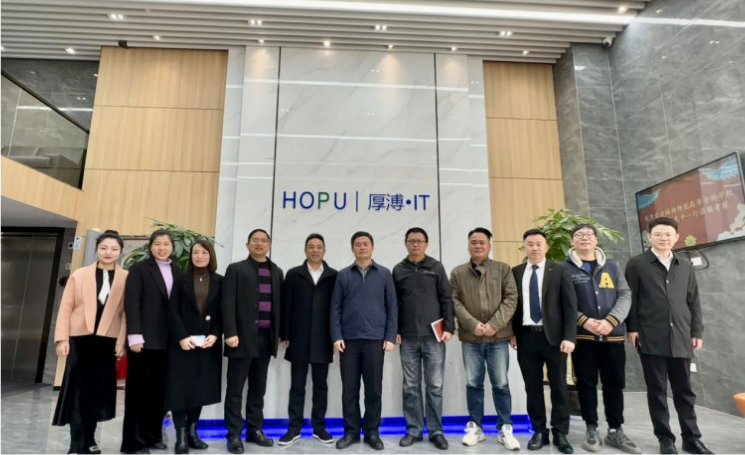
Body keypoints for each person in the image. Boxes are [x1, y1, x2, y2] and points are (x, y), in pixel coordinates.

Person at [625, 218, 715, 455]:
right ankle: (665, 439)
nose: (663, 238)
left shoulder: (684, 265)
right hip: (650, 336)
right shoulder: (637, 264)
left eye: (668, 234)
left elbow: (693, 300)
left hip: (682, 336)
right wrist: (632, 328)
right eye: (658, 234)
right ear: (649, 237)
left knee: (685, 392)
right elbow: (630, 299)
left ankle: (692, 439)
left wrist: (696, 331)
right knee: (657, 392)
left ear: (676, 238)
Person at [565, 225, 640, 454]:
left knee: (614, 384)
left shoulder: (612, 266)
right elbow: (562, 301)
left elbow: (625, 294)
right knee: (586, 384)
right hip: (583, 337)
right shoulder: (563, 268)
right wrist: (583, 320)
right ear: (572, 241)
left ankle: (615, 429)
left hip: (612, 337)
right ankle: (591, 428)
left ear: (596, 240)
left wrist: (611, 320)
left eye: (589, 235)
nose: (584, 238)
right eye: (579, 235)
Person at [52, 230, 128, 455]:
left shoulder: (126, 278)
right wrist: (62, 338)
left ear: (120, 252)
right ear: (97, 249)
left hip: (107, 342)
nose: (108, 252)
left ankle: (90, 439)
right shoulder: (80, 275)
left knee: (97, 393)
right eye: (104, 248)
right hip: (79, 340)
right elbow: (66, 307)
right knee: (77, 391)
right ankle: (76, 443)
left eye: (114, 249)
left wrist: (121, 341)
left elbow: (127, 313)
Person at [450, 227, 520, 450]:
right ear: (468, 245)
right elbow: (454, 302)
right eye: (474, 242)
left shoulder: (503, 269)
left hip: (498, 338)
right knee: (473, 383)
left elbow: (511, 298)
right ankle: (476, 428)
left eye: (482, 242)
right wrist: (474, 325)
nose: (478, 245)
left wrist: (493, 325)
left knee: (501, 384)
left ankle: (505, 428)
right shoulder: (458, 273)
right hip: (471, 339)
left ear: (489, 245)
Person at [510, 228, 576, 454]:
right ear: (524, 247)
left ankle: (560, 432)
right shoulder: (516, 272)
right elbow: (513, 306)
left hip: (555, 339)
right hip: (526, 337)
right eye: (530, 244)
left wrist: (569, 336)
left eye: (538, 244)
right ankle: (539, 431)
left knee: (558, 387)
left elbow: (570, 306)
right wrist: (512, 332)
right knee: (533, 388)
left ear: (546, 247)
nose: (534, 248)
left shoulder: (560, 270)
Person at [330, 231, 397, 451]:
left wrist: (390, 336)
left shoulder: (384, 274)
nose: (362, 247)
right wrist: (336, 335)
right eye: (358, 244)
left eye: (365, 244)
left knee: (373, 390)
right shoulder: (343, 275)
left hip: (375, 340)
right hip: (348, 341)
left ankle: (372, 432)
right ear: (352, 248)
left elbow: (392, 307)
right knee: (349, 389)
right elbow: (335, 307)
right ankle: (351, 432)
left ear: (372, 247)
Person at [222, 229, 284, 454]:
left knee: (258, 388)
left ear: (269, 245)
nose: (259, 244)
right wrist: (230, 331)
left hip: (266, 340)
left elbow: (280, 306)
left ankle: (254, 429)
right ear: (247, 244)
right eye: (255, 241)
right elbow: (227, 303)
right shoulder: (236, 269)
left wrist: (280, 333)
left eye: (263, 241)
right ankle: (234, 434)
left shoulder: (276, 271)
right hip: (240, 339)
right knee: (235, 389)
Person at [122, 229, 182, 455]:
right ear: (151, 246)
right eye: (157, 244)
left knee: (159, 393)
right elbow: (132, 302)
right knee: (138, 394)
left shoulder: (177, 270)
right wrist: (134, 335)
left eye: (166, 244)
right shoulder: (139, 269)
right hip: (143, 341)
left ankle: (153, 436)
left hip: (168, 343)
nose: (162, 248)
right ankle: (133, 443)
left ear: (172, 247)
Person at [392, 227, 454, 450]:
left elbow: (446, 298)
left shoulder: (436, 267)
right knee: (410, 386)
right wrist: (394, 330)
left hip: (434, 337)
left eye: (419, 241)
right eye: (412, 241)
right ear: (406, 244)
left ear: (426, 244)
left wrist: (449, 327)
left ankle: (436, 431)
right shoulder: (398, 270)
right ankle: (414, 429)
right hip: (407, 337)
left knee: (434, 386)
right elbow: (393, 303)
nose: (416, 244)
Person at [278, 233, 338, 446]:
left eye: (319, 247)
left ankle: (319, 427)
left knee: (321, 386)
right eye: (311, 246)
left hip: (323, 338)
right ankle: (294, 428)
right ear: (305, 250)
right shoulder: (294, 274)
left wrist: (335, 336)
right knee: (297, 386)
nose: (315, 250)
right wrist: (285, 333)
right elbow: (286, 305)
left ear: (324, 250)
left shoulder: (333, 276)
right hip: (298, 337)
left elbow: (336, 309)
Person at [165, 240, 223, 455]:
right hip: (182, 345)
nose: (199, 256)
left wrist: (215, 334)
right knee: (179, 390)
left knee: (199, 389)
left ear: (210, 256)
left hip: (207, 345)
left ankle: (192, 433)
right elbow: (172, 311)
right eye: (195, 252)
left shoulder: (220, 281)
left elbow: (223, 312)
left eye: (203, 252)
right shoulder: (181, 280)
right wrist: (181, 337)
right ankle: (181, 436)